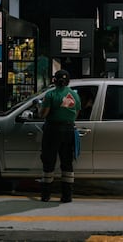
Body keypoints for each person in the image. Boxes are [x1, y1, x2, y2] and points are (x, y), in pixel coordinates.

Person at [38, 69, 81, 203]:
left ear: (54, 81)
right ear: (68, 81)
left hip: (52, 130)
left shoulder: (50, 95)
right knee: (67, 163)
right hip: (68, 130)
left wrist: (40, 110)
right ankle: (67, 196)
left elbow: (43, 114)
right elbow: (76, 113)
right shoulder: (74, 95)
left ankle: (46, 195)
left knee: (49, 162)